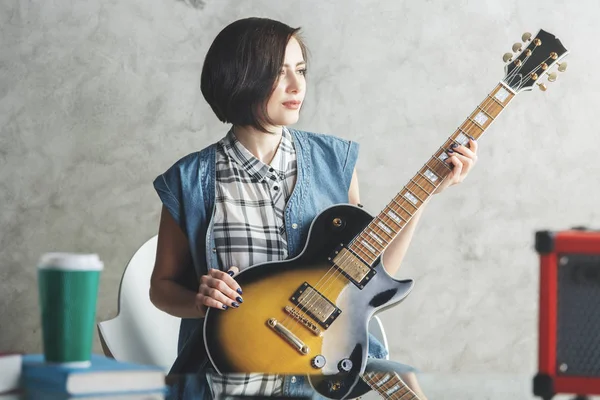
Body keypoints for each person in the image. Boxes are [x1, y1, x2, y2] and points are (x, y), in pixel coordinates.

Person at [150, 17, 478, 400]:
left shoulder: (334, 161)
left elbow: (371, 273)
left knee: (407, 384)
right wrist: (199, 300)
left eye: (301, 70)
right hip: (227, 383)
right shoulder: (190, 180)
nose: (297, 85)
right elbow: (161, 288)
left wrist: (427, 194)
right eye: (278, 72)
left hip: (320, 380)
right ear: (239, 77)